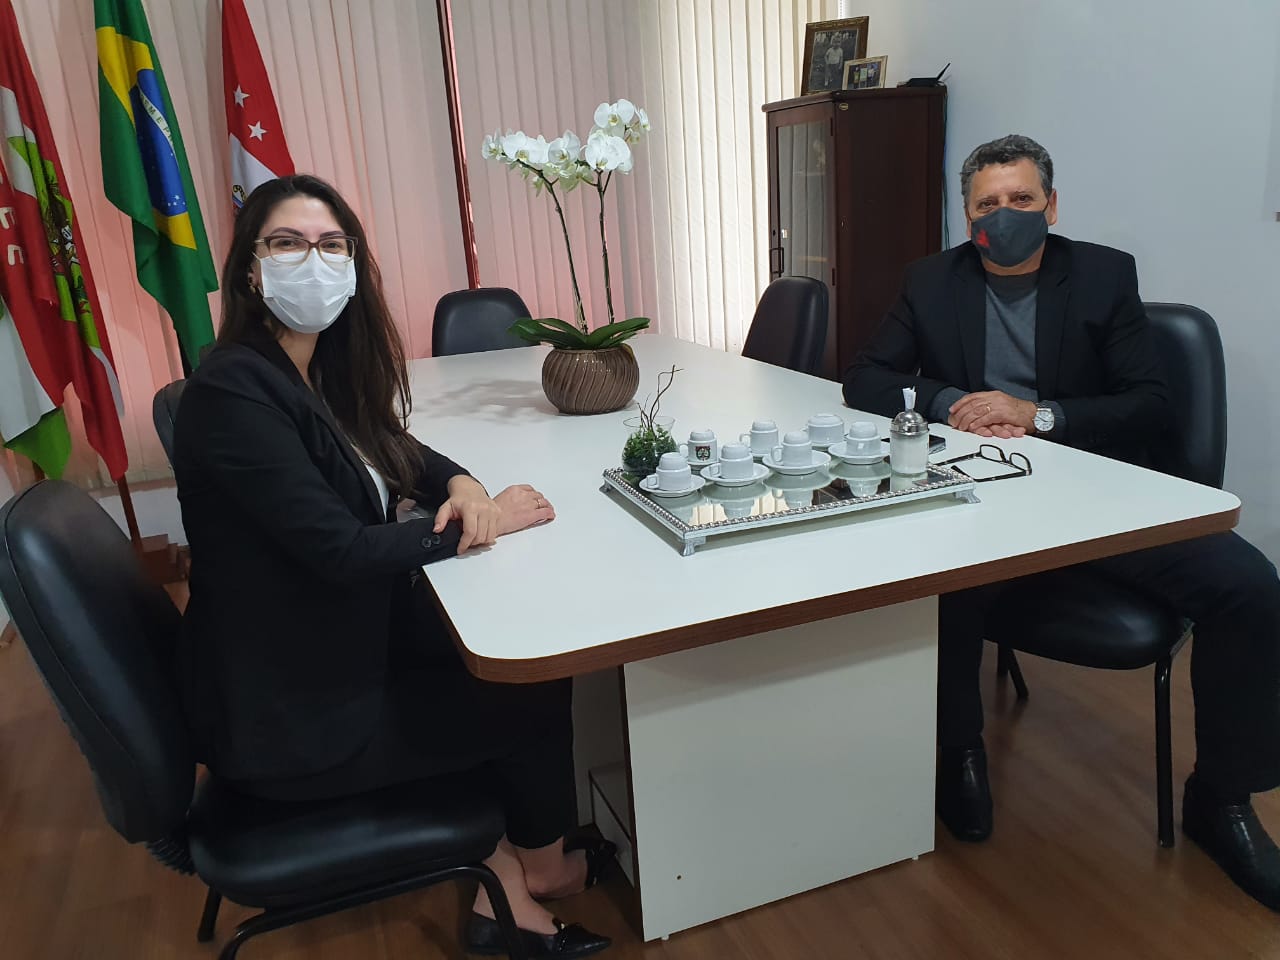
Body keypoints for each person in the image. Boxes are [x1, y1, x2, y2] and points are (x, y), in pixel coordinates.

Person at [173, 174, 612, 958]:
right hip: (293, 723)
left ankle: (525, 858)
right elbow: (340, 553)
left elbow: (395, 449)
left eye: (332, 245)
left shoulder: (303, 372)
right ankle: (530, 882)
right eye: (288, 243)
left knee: (500, 649)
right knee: (528, 688)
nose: (314, 261)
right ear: (250, 268)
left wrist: (462, 484)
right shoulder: (231, 393)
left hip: (314, 652)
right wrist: (486, 525)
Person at [843, 135, 1280, 912]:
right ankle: (957, 751)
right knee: (932, 569)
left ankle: (1222, 798)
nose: (1003, 217)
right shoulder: (930, 280)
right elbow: (867, 377)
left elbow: (1150, 403)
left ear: (1051, 204)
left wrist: (1035, 414)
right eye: (986, 205)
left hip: (1099, 494)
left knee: (1251, 586)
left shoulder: (1105, 274)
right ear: (965, 213)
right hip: (983, 491)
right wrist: (949, 404)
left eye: (1020, 200)